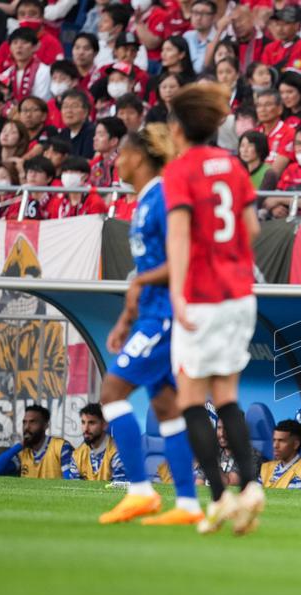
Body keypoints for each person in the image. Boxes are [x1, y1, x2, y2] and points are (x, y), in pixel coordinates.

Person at [164, 83, 263, 536]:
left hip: (202, 296)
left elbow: (179, 236)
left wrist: (178, 294)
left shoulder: (180, 170)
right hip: (239, 293)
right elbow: (252, 228)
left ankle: (221, 497)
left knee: (190, 400)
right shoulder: (234, 166)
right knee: (226, 395)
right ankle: (252, 486)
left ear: (178, 128)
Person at [96, 124, 204, 526]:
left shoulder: (164, 197)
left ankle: (140, 491)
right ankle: (189, 505)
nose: (116, 162)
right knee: (167, 409)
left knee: (112, 391)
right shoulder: (144, 202)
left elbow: (185, 258)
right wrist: (128, 316)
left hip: (165, 317)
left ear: (138, 157)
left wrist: (139, 284)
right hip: (152, 313)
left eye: (121, 154)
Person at [0, 405, 75, 478]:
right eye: (24, 422)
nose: (26, 427)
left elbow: (70, 481)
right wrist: (19, 445)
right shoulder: (22, 452)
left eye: (32, 422)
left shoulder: (61, 447)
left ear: (45, 425)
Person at [259, 420, 301, 490]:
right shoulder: (266, 468)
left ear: (296, 444)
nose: (275, 445)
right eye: (274, 440)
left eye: (281, 441)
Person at [71, 403, 125, 482]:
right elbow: (75, 487)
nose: (85, 429)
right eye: (83, 422)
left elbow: (120, 486)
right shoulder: (77, 455)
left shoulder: (118, 452)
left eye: (91, 423)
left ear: (104, 425)